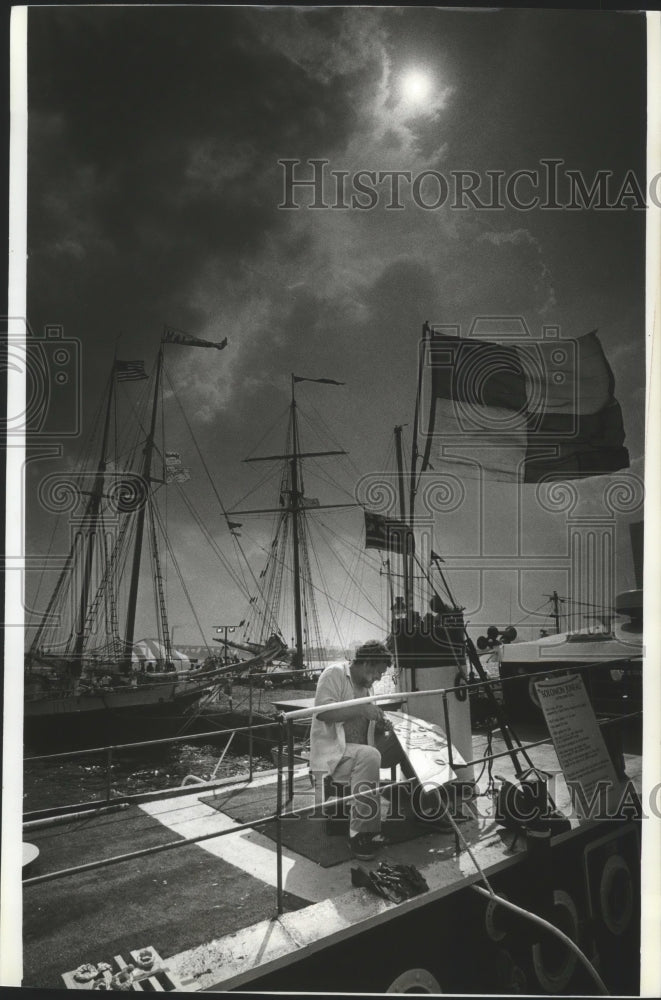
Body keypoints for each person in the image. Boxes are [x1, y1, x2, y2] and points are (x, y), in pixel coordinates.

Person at [310, 640, 395, 861]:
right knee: (369, 756)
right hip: (334, 755)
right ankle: (360, 835)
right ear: (367, 663)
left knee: (400, 742)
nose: (379, 677)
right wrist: (361, 709)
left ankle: (429, 805)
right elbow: (322, 713)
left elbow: (362, 724)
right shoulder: (334, 674)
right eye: (378, 672)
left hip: (358, 750)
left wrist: (380, 724)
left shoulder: (368, 687)